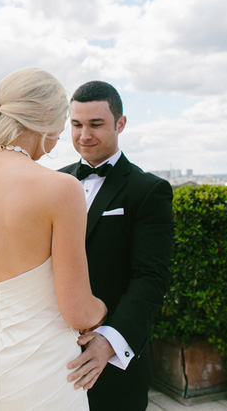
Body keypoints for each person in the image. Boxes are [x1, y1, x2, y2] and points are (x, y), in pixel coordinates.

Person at [0, 67, 107, 410]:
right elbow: (76, 310)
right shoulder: (61, 188)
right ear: (45, 118)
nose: (58, 138)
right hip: (43, 374)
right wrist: (103, 311)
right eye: (60, 126)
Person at [60, 81, 174, 411]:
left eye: (96, 124)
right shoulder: (53, 182)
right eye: (77, 124)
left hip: (114, 364)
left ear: (120, 124)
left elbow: (150, 278)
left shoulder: (149, 190)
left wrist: (110, 341)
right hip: (52, 354)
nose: (84, 136)